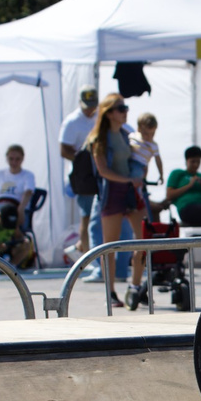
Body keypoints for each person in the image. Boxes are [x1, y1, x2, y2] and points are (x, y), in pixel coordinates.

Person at [86, 94, 146, 307]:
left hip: (131, 191)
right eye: (121, 108)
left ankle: (136, 287)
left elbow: (138, 158)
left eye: (125, 107)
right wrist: (130, 179)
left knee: (143, 241)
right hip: (112, 192)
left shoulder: (126, 133)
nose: (125, 111)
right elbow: (103, 171)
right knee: (110, 246)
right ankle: (110, 293)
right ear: (109, 112)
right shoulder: (99, 140)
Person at [57, 87, 101, 265]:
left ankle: (82, 248)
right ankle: (87, 257)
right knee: (87, 215)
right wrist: (82, 159)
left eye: (92, 105)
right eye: (87, 106)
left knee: (98, 214)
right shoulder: (72, 121)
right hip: (83, 175)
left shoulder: (100, 117)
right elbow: (63, 150)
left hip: (100, 172)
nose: (89, 109)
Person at [163, 145, 201, 228]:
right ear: (186, 161)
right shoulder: (178, 173)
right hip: (187, 209)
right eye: (193, 161)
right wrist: (189, 185)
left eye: (198, 162)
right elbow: (169, 195)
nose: (196, 165)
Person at [0, 146, 38, 224]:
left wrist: (21, 208)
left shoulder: (28, 175)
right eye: (11, 159)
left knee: (0, 218)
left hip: (15, 207)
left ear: (23, 159)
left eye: (17, 159)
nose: (14, 162)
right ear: (6, 158)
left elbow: (28, 192)